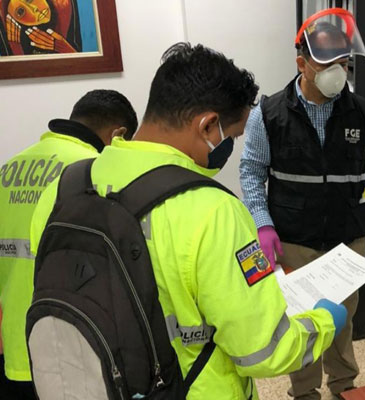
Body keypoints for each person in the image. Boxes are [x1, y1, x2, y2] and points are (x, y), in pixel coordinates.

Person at [30, 42, 346, 400]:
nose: (230, 148)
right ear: (208, 125)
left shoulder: (64, 188)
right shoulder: (213, 211)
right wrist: (324, 322)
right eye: (232, 136)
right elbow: (264, 350)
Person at [239, 8, 365, 399]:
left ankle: (344, 388)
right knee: (301, 323)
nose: (336, 73)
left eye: (342, 63)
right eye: (326, 64)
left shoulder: (363, 112)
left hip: (347, 240)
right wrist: (262, 224)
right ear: (302, 65)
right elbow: (251, 173)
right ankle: (304, 392)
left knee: (342, 322)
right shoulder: (269, 114)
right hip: (295, 240)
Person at [0, 89, 137, 399]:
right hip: (72, 352)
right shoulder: (92, 173)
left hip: (15, 348)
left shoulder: (9, 168)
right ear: (118, 134)